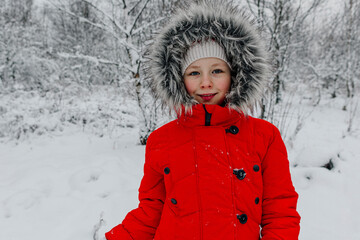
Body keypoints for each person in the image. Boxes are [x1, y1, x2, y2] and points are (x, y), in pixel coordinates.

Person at [105, 0, 301, 239]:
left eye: (217, 71)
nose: (206, 82)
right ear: (178, 79)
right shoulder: (161, 140)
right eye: (194, 72)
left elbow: (280, 210)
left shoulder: (264, 136)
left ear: (235, 73)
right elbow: (151, 210)